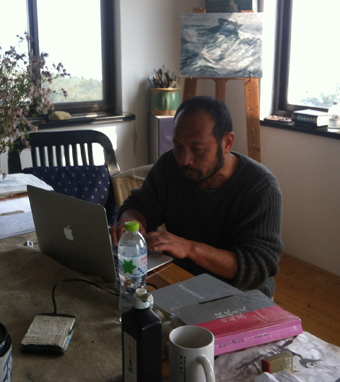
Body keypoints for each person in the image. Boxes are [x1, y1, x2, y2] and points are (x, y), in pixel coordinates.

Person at [111, 96, 283, 297]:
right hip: (181, 280)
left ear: (227, 143)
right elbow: (140, 204)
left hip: (240, 295)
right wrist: (130, 221)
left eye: (197, 149)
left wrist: (189, 248)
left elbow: (256, 267)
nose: (185, 160)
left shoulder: (261, 188)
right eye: (177, 146)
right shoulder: (170, 166)